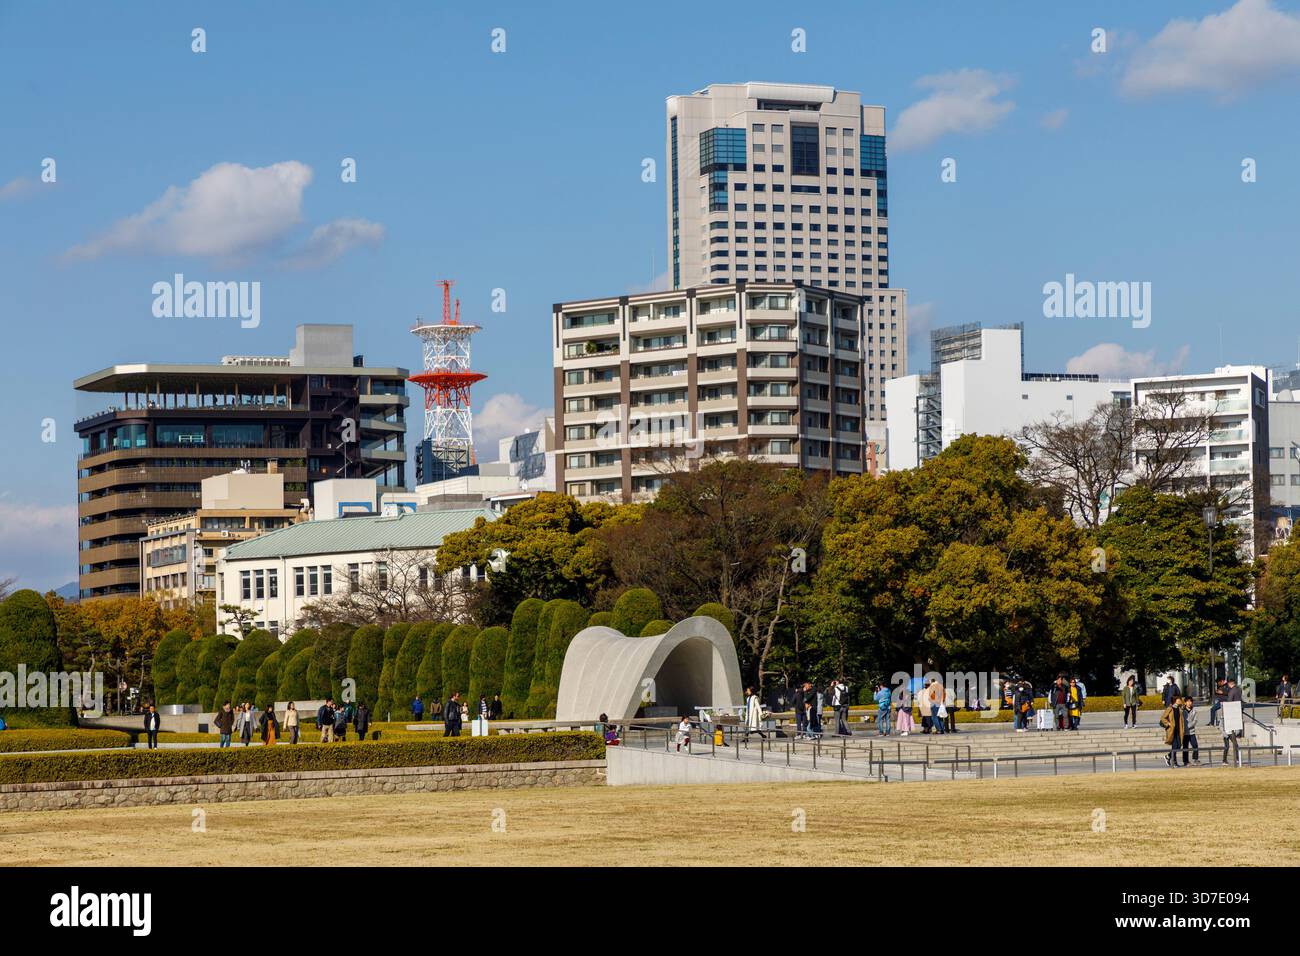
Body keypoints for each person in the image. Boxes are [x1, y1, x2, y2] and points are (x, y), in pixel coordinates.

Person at [1222, 678, 1243, 766]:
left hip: (1230, 717)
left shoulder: (1232, 691)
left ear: (1230, 684)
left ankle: (1225, 760)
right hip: (1237, 715)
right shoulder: (1239, 689)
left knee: (1229, 743)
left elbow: (1229, 702)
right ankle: (1236, 759)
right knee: (1234, 743)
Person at [1161, 693, 1186, 767]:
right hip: (1172, 730)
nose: (1180, 701)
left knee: (1178, 746)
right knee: (1175, 746)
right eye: (1179, 700)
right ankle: (1174, 762)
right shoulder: (1170, 708)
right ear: (1175, 700)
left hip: (1179, 729)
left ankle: (1168, 756)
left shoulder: (1179, 708)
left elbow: (1185, 705)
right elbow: (1163, 718)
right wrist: (1168, 723)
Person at [1181, 695, 1200, 766]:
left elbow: (1195, 721)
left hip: (1192, 732)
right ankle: (1185, 761)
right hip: (1185, 732)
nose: (1189, 703)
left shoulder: (1194, 711)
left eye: (1191, 701)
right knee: (1185, 747)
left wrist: (1189, 726)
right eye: (1188, 701)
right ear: (1185, 703)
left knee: (1195, 745)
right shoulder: (1182, 711)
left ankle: (1195, 759)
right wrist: (1185, 727)